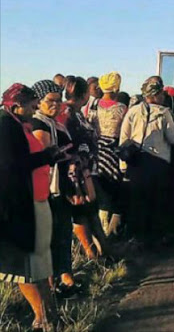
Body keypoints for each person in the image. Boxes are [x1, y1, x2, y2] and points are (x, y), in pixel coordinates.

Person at [0, 84, 69, 330]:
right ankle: (43, 318)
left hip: (34, 200)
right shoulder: (6, 126)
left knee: (38, 263)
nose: (34, 107)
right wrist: (47, 156)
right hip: (17, 207)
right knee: (23, 267)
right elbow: (10, 166)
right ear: (16, 104)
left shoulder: (16, 124)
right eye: (31, 104)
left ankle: (48, 316)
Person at [120, 76, 174, 246]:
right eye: (161, 93)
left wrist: (123, 165)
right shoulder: (164, 112)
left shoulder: (133, 111)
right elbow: (173, 138)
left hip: (136, 163)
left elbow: (124, 138)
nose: (163, 97)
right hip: (159, 164)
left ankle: (137, 238)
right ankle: (155, 239)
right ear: (156, 94)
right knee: (158, 202)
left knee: (138, 202)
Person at [31, 80, 80, 298]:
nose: (56, 105)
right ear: (38, 101)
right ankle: (53, 286)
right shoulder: (38, 124)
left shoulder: (54, 123)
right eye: (51, 100)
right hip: (48, 189)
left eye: (59, 100)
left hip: (60, 186)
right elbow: (45, 156)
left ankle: (64, 280)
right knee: (52, 237)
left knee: (63, 233)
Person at [59, 76, 107, 259]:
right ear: (84, 93)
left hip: (86, 169)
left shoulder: (76, 112)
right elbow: (71, 142)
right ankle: (92, 252)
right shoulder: (69, 114)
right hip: (77, 172)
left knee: (89, 210)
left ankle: (100, 250)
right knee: (82, 210)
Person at [87, 72, 127, 236]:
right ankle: (112, 230)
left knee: (100, 190)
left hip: (96, 152)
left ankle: (101, 229)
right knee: (114, 189)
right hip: (114, 153)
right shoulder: (122, 108)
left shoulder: (93, 106)